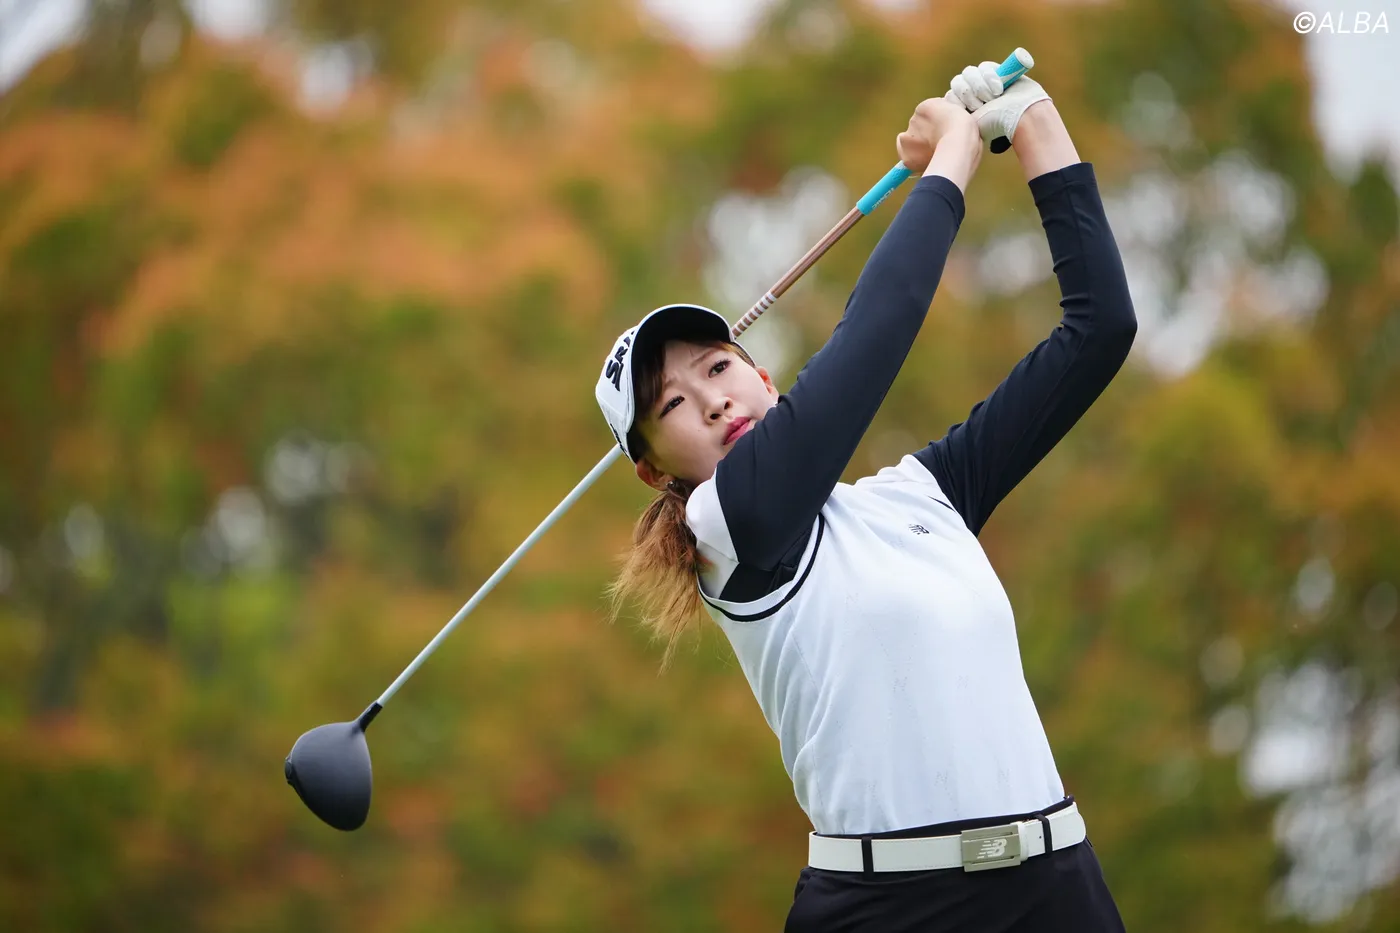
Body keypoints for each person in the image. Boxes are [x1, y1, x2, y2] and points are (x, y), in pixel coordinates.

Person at [593, 57, 1135, 932]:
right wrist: (951, 156)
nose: (713, 400)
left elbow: (1100, 328)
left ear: (763, 376)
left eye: (719, 367)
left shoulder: (924, 494)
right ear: (656, 472)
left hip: (1057, 886)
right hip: (889, 909)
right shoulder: (728, 529)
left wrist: (1029, 121)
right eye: (672, 406)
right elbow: (876, 330)